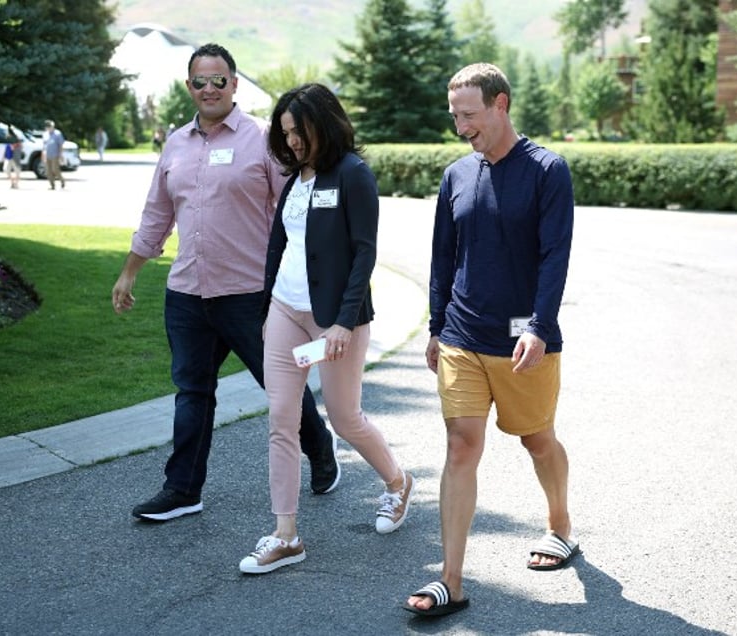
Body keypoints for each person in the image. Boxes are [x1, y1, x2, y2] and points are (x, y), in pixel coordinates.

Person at [111, 44, 340, 523]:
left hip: (250, 295)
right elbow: (157, 215)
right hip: (188, 294)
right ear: (188, 87)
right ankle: (182, 489)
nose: (209, 89)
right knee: (192, 390)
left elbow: (293, 212)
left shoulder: (262, 138)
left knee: (278, 388)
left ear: (235, 84)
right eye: (200, 81)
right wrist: (130, 271)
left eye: (219, 80)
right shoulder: (174, 144)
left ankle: (319, 448)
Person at [404, 63, 576, 617]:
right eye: (455, 115)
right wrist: (435, 325)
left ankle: (560, 525)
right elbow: (442, 257)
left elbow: (555, 256)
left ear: (501, 105)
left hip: (524, 341)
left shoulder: (548, 171)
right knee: (461, 446)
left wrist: (540, 327)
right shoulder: (456, 175)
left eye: (469, 115)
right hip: (461, 336)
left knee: (537, 440)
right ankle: (449, 582)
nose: (461, 126)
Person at [238, 83, 415, 574]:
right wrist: (265, 307)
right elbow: (280, 246)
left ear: (324, 123)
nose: (292, 141)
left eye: (300, 131)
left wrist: (341, 322)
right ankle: (285, 534)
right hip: (285, 313)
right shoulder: (295, 178)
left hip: (335, 322)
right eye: (286, 132)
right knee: (281, 416)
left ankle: (398, 482)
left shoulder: (354, 174)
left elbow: (365, 252)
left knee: (344, 416)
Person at [42, 120, 65, 190]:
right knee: (48, 171)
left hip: (55, 155)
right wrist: (43, 155)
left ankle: (62, 181)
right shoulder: (45, 134)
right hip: (47, 155)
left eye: (51, 127)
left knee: (55, 169)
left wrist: (61, 155)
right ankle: (52, 185)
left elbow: (61, 145)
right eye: (48, 127)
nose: (49, 128)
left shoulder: (58, 134)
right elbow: (44, 145)